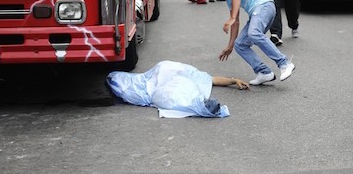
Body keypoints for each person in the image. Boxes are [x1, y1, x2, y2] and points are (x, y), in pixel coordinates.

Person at [200, 0, 296, 85]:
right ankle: (264, 72)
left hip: (264, 6)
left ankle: (284, 63)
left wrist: (232, 18)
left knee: (254, 33)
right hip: (258, 12)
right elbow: (235, 22)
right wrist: (230, 46)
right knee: (240, 44)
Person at [107, 60, 249, 119]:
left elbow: (161, 96)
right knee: (136, 85)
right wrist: (233, 80)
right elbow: (212, 79)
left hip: (164, 80)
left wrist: (233, 80)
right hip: (167, 72)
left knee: (133, 86)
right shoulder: (196, 87)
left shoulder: (183, 100)